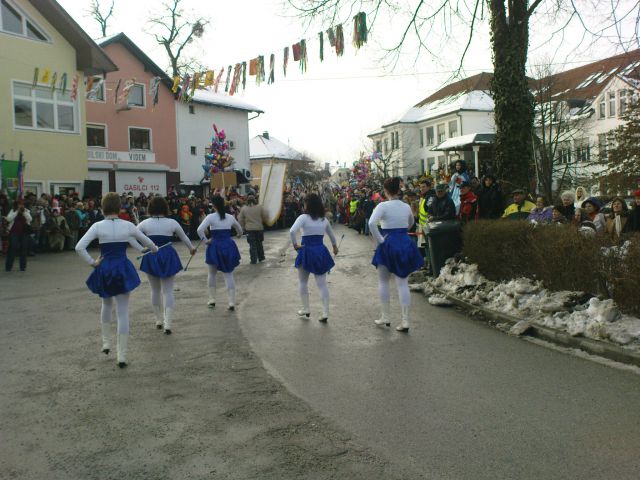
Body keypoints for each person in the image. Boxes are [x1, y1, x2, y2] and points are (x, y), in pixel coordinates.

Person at [75, 192, 158, 368]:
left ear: (103, 207)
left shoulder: (97, 226)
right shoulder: (127, 225)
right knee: (122, 311)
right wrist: (154, 248)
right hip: (122, 268)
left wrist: (92, 262)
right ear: (119, 207)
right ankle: (122, 355)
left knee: (106, 304)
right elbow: (148, 243)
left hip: (104, 268)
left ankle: (106, 343)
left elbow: (79, 247)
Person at [368, 177, 424, 332]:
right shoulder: (405, 206)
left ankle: (385, 317)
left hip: (387, 242)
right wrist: (402, 231)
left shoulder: (382, 206)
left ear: (385, 191)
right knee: (402, 282)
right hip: (404, 242)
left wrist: (380, 240)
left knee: (383, 282)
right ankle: (405, 320)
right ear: (398, 190)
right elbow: (411, 222)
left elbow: (371, 223)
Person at [137, 197, 196, 334]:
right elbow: (184, 238)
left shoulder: (145, 223)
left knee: (155, 290)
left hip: (151, 255)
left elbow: (133, 235)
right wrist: (191, 248)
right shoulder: (172, 222)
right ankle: (168, 323)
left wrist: (143, 247)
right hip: (168, 255)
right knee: (168, 291)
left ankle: (158, 320)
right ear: (165, 208)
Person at [290, 193, 338, 323]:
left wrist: (295, 245)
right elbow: (332, 236)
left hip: (306, 251)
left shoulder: (303, 218)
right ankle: (325, 312)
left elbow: (292, 231)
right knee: (322, 284)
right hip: (320, 251)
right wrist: (334, 247)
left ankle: (306, 309)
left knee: (302, 282)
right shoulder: (324, 219)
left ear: (307, 205)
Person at [197, 195, 243, 311]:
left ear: (213, 205)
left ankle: (212, 299)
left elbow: (199, 230)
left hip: (214, 246)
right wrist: (239, 235)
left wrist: (205, 241)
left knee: (212, 274)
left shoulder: (210, 217)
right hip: (228, 245)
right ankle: (231, 302)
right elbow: (240, 229)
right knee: (228, 274)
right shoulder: (230, 217)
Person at [238, 195, 267, 264]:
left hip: (249, 229)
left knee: (252, 244)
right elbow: (265, 215)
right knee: (259, 243)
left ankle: (253, 259)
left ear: (247, 201)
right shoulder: (260, 207)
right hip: (259, 228)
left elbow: (240, 219)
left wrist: (243, 226)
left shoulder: (244, 209)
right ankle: (261, 257)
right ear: (255, 200)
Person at [4, 199, 32, 272]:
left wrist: (23, 212)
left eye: (22, 204)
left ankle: (22, 267)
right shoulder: (13, 210)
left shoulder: (26, 211)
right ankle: (8, 267)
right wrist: (17, 211)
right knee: (12, 248)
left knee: (23, 250)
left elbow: (30, 219)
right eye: (19, 204)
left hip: (24, 233)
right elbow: (9, 219)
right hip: (14, 232)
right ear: (16, 204)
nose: (21, 205)